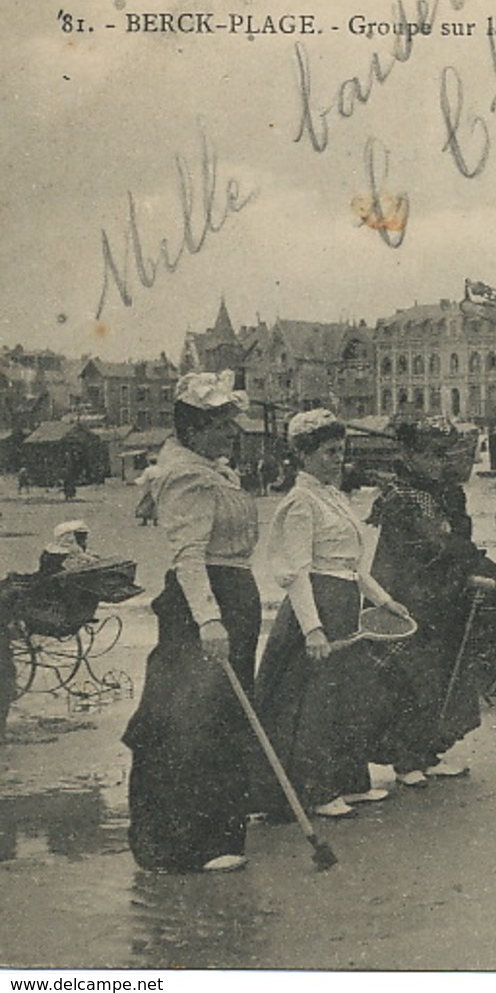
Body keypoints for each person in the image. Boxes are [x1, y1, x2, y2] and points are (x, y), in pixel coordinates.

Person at [122, 372, 260, 874]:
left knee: (224, 719)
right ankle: (180, 844)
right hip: (205, 605)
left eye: (231, 421)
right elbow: (189, 555)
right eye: (221, 423)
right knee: (191, 722)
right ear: (195, 429)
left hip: (233, 598)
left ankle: (218, 834)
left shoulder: (212, 469)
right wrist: (209, 618)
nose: (232, 432)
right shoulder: (184, 475)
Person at [254, 409, 411, 821]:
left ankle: (346, 781)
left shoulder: (334, 497)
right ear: (303, 456)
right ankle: (316, 790)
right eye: (327, 452)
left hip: (344, 602)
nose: (337, 459)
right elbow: (296, 572)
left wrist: (383, 600)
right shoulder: (300, 503)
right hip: (316, 607)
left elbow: (355, 566)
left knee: (344, 697)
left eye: (340, 451)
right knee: (314, 703)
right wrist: (313, 630)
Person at [365, 416, 496, 787]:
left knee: (445, 674)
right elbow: (429, 545)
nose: (439, 462)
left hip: (446, 594)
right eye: (430, 454)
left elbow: (458, 540)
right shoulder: (400, 495)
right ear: (408, 454)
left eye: (444, 454)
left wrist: (477, 564)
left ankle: (429, 750)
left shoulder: (449, 492)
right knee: (410, 678)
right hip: (411, 595)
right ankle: (406, 757)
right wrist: (467, 559)